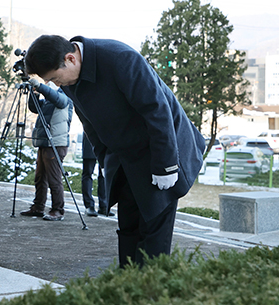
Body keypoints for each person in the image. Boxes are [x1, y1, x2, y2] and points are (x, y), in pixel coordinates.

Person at [24, 35, 205, 267]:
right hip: (125, 156)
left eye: (56, 79)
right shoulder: (71, 80)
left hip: (162, 148)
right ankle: (126, 287)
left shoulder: (120, 58)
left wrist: (166, 165)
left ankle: (151, 294)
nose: (58, 85)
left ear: (70, 58)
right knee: (128, 227)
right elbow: (90, 124)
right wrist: (106, 160)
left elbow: (158, 111)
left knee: (153, 230)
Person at [20, 80, 73, 221]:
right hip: (44, 142)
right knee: (40, 177)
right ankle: (38, 207)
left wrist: (41, 86)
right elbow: (35, 108)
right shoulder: (49, 100)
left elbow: (56, 98)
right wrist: (33, 93)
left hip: (56, 143)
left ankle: (58, 210)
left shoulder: (65, 96)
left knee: (54, 179)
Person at [81, 133, 111, 217]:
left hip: (104, 141)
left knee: (103, 174)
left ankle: (104, 205)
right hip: (90, 139)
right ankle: (89, 205)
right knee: (88, 173)